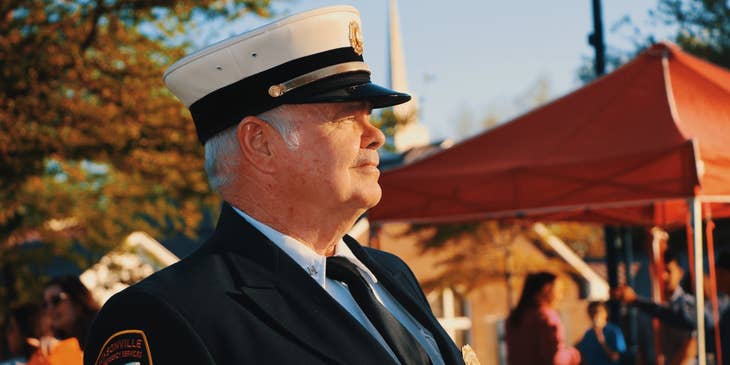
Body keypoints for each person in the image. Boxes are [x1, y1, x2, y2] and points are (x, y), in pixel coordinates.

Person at [84, 6, 464, 365]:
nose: (376, 135)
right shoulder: (164, 314)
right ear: (260, 143)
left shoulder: (390, 274)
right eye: (346, 117)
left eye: (368, 116)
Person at [612, 250, 709, 365]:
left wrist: (635, 300)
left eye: (668, 271)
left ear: (680, 273)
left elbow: (690, 350)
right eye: (660, 271)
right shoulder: (655, 305)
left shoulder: (688, 305)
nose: (664, 276)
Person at [505, 272, 581, 365]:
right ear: (546, 290)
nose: (560, 296)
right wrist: (574, 355)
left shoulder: (515, 317)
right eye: (558, 291)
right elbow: (555, 358)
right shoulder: (546, 317)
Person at [27, 276, 99, 365]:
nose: (49, 309)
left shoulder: (102, 329)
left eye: (56, 300)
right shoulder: (54, 344)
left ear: (76, 299)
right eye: (45, 304)